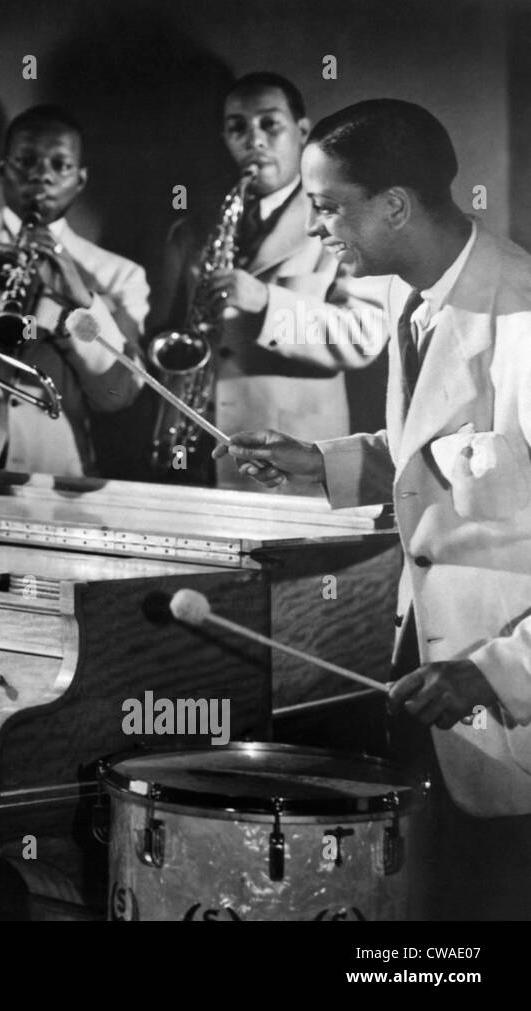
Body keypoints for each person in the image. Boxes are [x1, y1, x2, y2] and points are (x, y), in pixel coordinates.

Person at [220, 98, 531, 919]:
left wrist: (497, 670)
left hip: (507, 708)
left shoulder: (526, 320)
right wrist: (316, 461)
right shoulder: (411, 294)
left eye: (327, 208)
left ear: (394, 204)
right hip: (422, 674)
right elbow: (435, 455)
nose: (319, 230)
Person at [150, 73, 390, 491]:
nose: (254, 140)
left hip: (289, 464)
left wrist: (265, 301)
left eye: (269, 124)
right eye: (237, 127)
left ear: (300, 132)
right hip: (201, 455)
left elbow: (363, 335)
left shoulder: (344, 220)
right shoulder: (194, 231)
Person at [0, 105, 145, 477]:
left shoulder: (118, 274)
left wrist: (82, 302)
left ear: (81, 180)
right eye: (26, 161)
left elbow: (115, 395)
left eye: (60, 165)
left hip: (54, 470)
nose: (42, 176)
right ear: (2, 169)